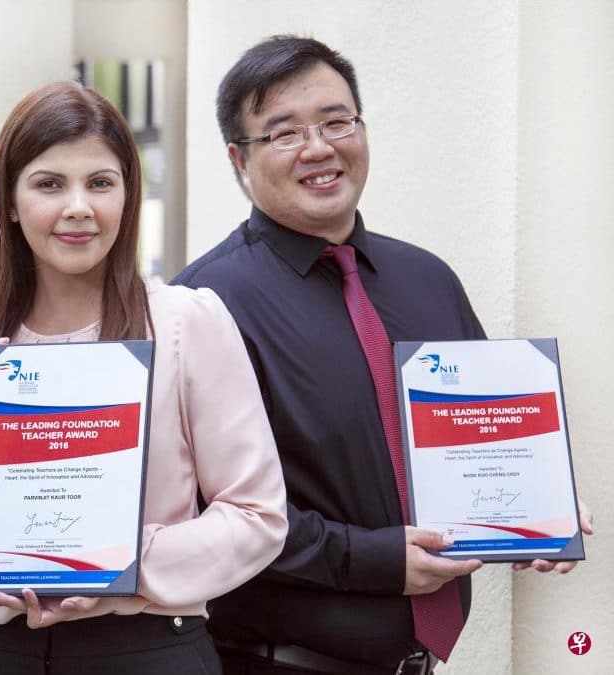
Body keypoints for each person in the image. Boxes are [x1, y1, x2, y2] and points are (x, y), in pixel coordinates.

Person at [174, 35, 593, 675]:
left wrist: (539, 504)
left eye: (337, 121)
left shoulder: (426, 280)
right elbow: (203, 512)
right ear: (239, 158)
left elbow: (486, 434)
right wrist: (370, 558)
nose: (320, 148)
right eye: (284, 133)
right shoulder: (203, 303)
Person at [0, 81, 288, 675]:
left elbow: (258, 516)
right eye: (49, 184)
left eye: (100, 182)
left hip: (144, 652)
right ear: (10, 203)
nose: (78, 207)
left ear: (128, 196)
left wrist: (122, 564)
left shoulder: (186, 322)